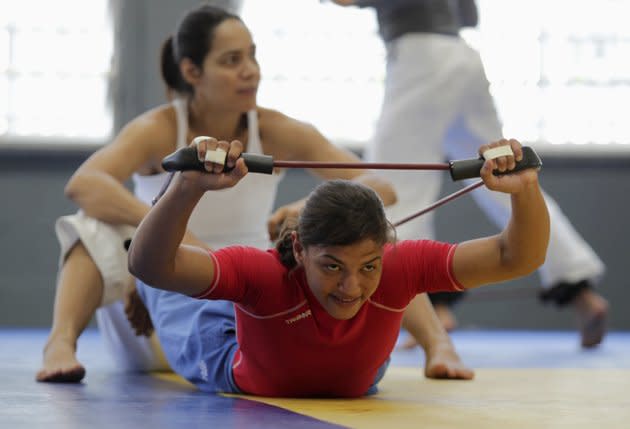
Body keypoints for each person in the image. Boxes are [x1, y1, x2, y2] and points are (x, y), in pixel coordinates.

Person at [36, 4, 472, 383]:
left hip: (251, 299)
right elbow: (84, 183)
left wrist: (305, 209)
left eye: (252, 56)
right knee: (91, 224)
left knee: (371, 243)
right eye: (231, 60)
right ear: (192, 72)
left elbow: (379, 186)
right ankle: (59, 345)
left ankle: (439, 345)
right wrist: (163, 233)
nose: (250, 71)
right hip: (159, 301)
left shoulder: (277, 129)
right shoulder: (161, 128)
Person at [127, 137, 549, 397]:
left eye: (368, 266)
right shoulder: (264, 273)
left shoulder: (397, 262)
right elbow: (152, 265)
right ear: (300, 247)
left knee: (394, 283)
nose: (350, 286)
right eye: (332, 266)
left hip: (340, 357)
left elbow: (517, 257)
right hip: (229, 348)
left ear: (383, 249)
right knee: (167, 289)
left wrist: (525, 189)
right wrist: (187, 186)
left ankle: (436, 342)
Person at [331, 0, 608, 347]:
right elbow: (468, 14)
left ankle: (430, 314)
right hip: (461, 54)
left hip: (421, 54)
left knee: (392, 186)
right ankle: (580, 291)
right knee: (502, 180)